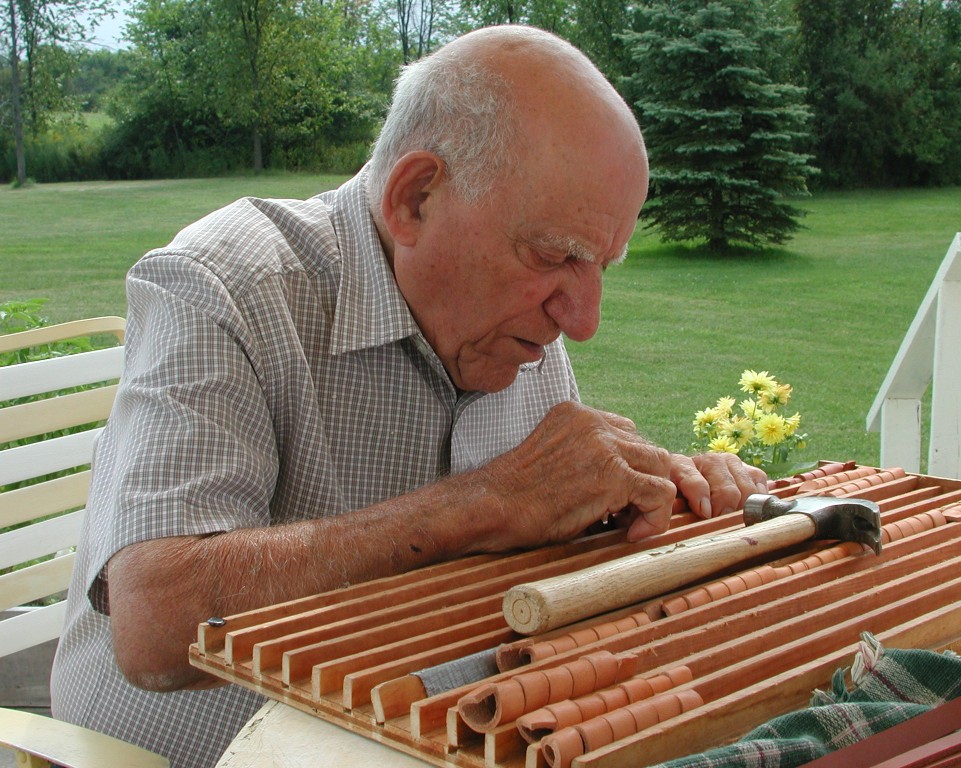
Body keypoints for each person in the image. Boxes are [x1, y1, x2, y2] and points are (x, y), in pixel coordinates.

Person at [51, 24, 767, 768]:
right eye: (555, 256)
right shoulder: (224, 284)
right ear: (415, 198)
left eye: (601, 266)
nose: (582, 323)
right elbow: (156, 620)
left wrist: (651, 498)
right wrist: (487, 505)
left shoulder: (509, 325)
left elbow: (546, 526)